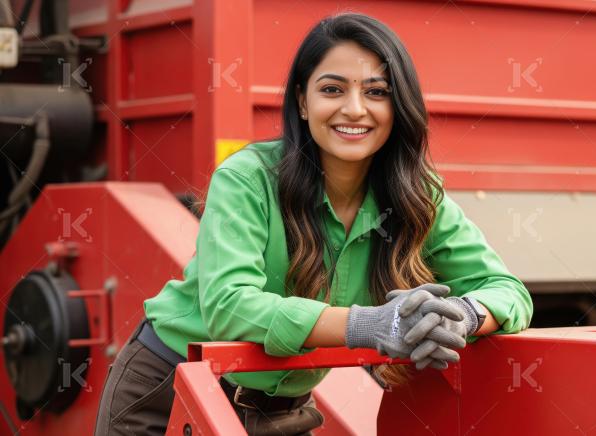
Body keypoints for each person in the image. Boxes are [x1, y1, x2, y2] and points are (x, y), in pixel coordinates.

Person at [94, 12, 533, 436]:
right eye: (332, 89)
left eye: (377, 92)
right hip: (171, 393)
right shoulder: (246, 178)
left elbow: (506, 289)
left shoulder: (417, 196)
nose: (355, 109)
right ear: (303, 102)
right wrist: (367, 325)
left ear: (399, 105)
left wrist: (463, 317)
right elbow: (229, 306)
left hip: (283, 412)